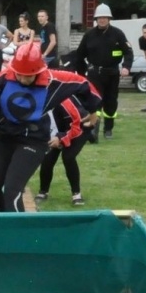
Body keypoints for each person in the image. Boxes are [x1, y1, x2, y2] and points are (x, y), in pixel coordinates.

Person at [0, 43, 86, 212]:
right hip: (3, 137)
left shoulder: (53, 85)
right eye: (19, 74)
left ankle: (20, 226)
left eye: (28, 76)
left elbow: (78, 112)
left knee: (12, 191)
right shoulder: (1, 80)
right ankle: (8, 219)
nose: (23, 79)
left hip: (34, 140)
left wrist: (65, 136)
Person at [36, 70, 103, 206]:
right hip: (59, 130)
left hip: (79, 127)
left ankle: (76, 195)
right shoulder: (36, 100)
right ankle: (43, 192)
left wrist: (60, 139)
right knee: (48, 158)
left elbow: (76, 126)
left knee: (68, 157)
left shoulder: (63, 101)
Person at [65, 3, 132, 138]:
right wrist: (82, 73)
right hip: (95, 74)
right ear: (96, 19)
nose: (102, 20)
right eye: (99, 18)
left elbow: (128, 52)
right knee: (95, 102)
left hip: (112, 73)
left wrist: (126, 66)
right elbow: (79, 55)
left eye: (104, 17)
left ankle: (108, 129)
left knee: (111, 102)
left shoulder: (118, 34)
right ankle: (93, 129)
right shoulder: (89, 35)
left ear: (109, 19)